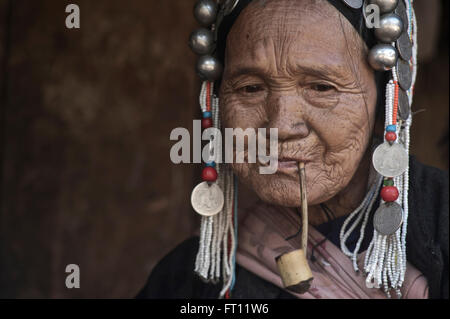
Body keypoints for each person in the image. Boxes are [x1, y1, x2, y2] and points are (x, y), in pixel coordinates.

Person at [137, 0, 448, 299]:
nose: (281, 126)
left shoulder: (439, 229)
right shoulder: (186, 282)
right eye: (250, 89)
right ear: (218, 108)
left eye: (321, 88)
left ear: (384, 104)